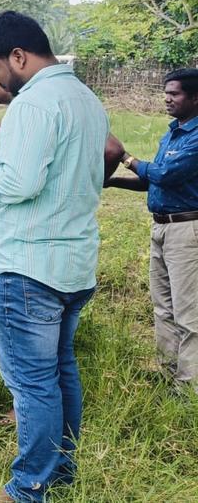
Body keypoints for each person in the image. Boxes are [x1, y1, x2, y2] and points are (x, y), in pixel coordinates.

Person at [0, 11, 109, 503]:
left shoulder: (33, 103)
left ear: (19, 57)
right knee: (61, 370)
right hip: (73, 264)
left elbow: (19, 183)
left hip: (25, 268)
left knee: (32, 385)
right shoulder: (86, 99)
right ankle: (61, 469)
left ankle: (29, 487)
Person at [107, 68, 198, 396]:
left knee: (189, 312)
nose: (167, 98)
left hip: (187, 231)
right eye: (167, 92)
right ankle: (170, 372)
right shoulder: (172, 134)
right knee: (163, 306)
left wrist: (126, 158)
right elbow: (152, 181)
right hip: (162, 227)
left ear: (195, 97)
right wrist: (112, 180)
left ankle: (189, 388)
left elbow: (165, 173)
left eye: (175, 94)